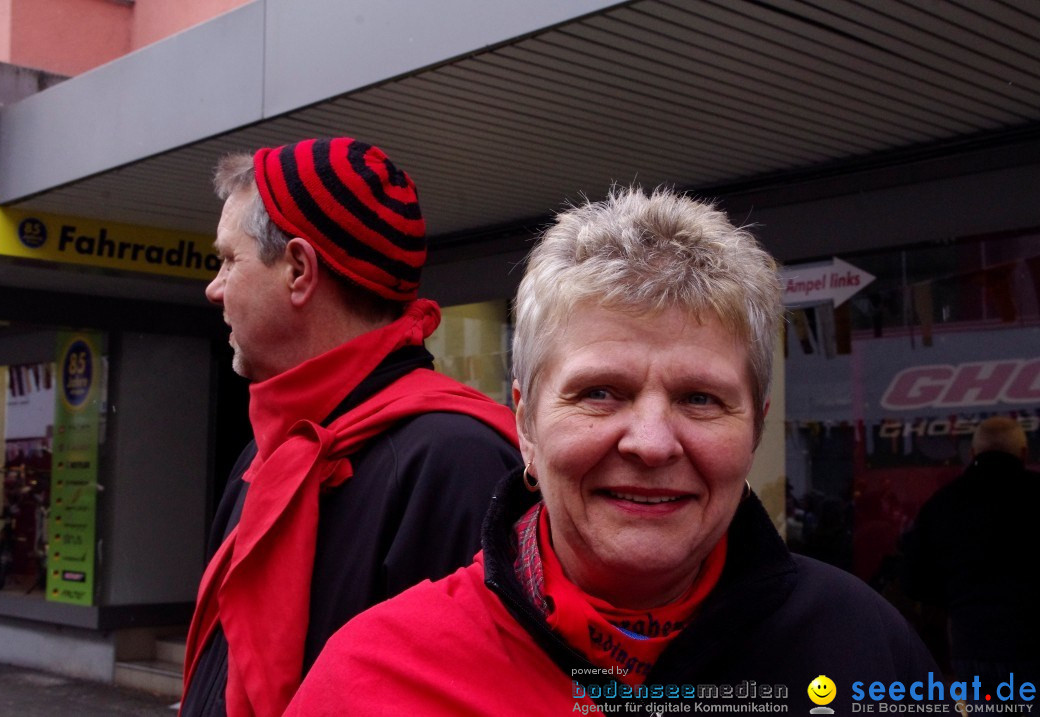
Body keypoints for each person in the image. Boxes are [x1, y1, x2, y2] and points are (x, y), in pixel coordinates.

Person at [286, 187, 942, 715]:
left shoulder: (864, 647)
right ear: (527, 425)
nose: (652, 443)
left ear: (756, 428)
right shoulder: (376, 677)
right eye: (600, 392)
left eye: (701, 399)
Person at [179, 137, 521, 717]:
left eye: (228, 260)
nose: (214, 288)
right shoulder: (269, 452)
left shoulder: (457, 461)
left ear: (298, 270)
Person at [902, 416, 1039, 688]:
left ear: (973, 453)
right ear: (1024, 453)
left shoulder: (942, 504)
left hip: (974, 643)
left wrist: (957, 599)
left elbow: (915, 580)